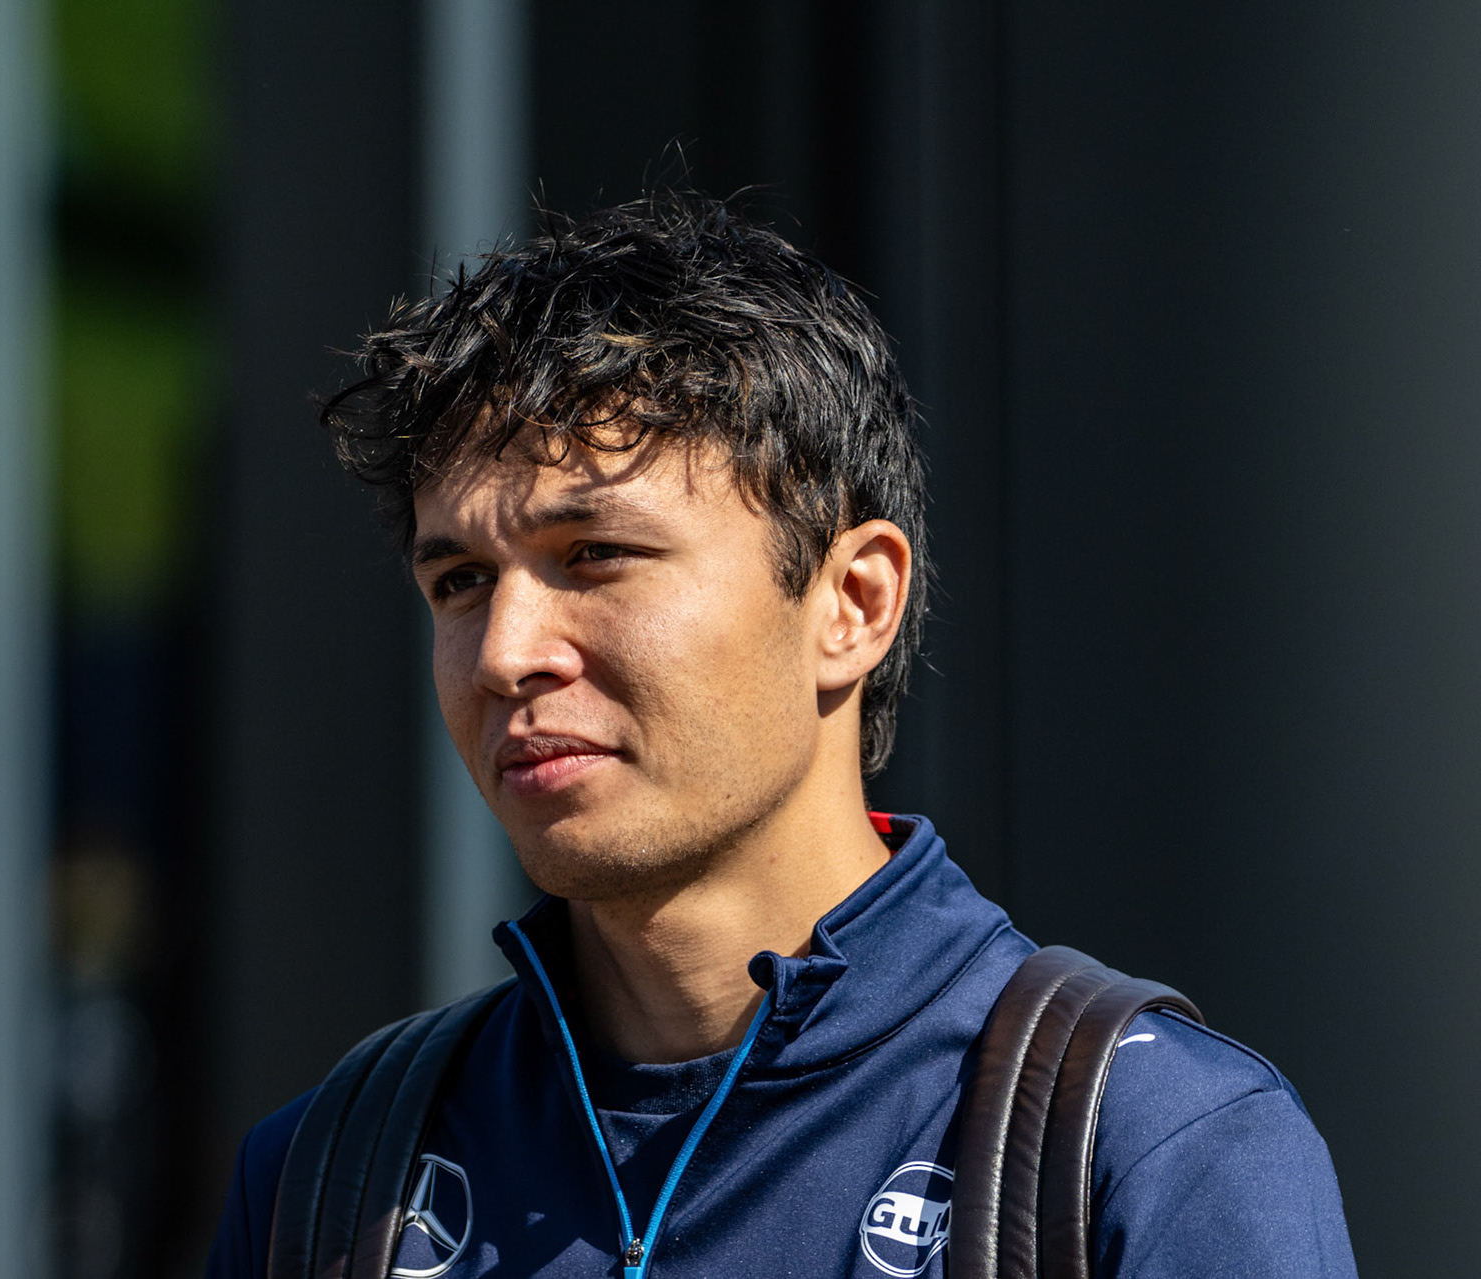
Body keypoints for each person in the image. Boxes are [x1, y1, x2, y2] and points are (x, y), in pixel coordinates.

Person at [205, 192, 1356, 1278]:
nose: (507, 653)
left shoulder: (1149, 1145)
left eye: (595, 554)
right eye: (459, 580)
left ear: (852, 603)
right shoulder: (333, 1175)